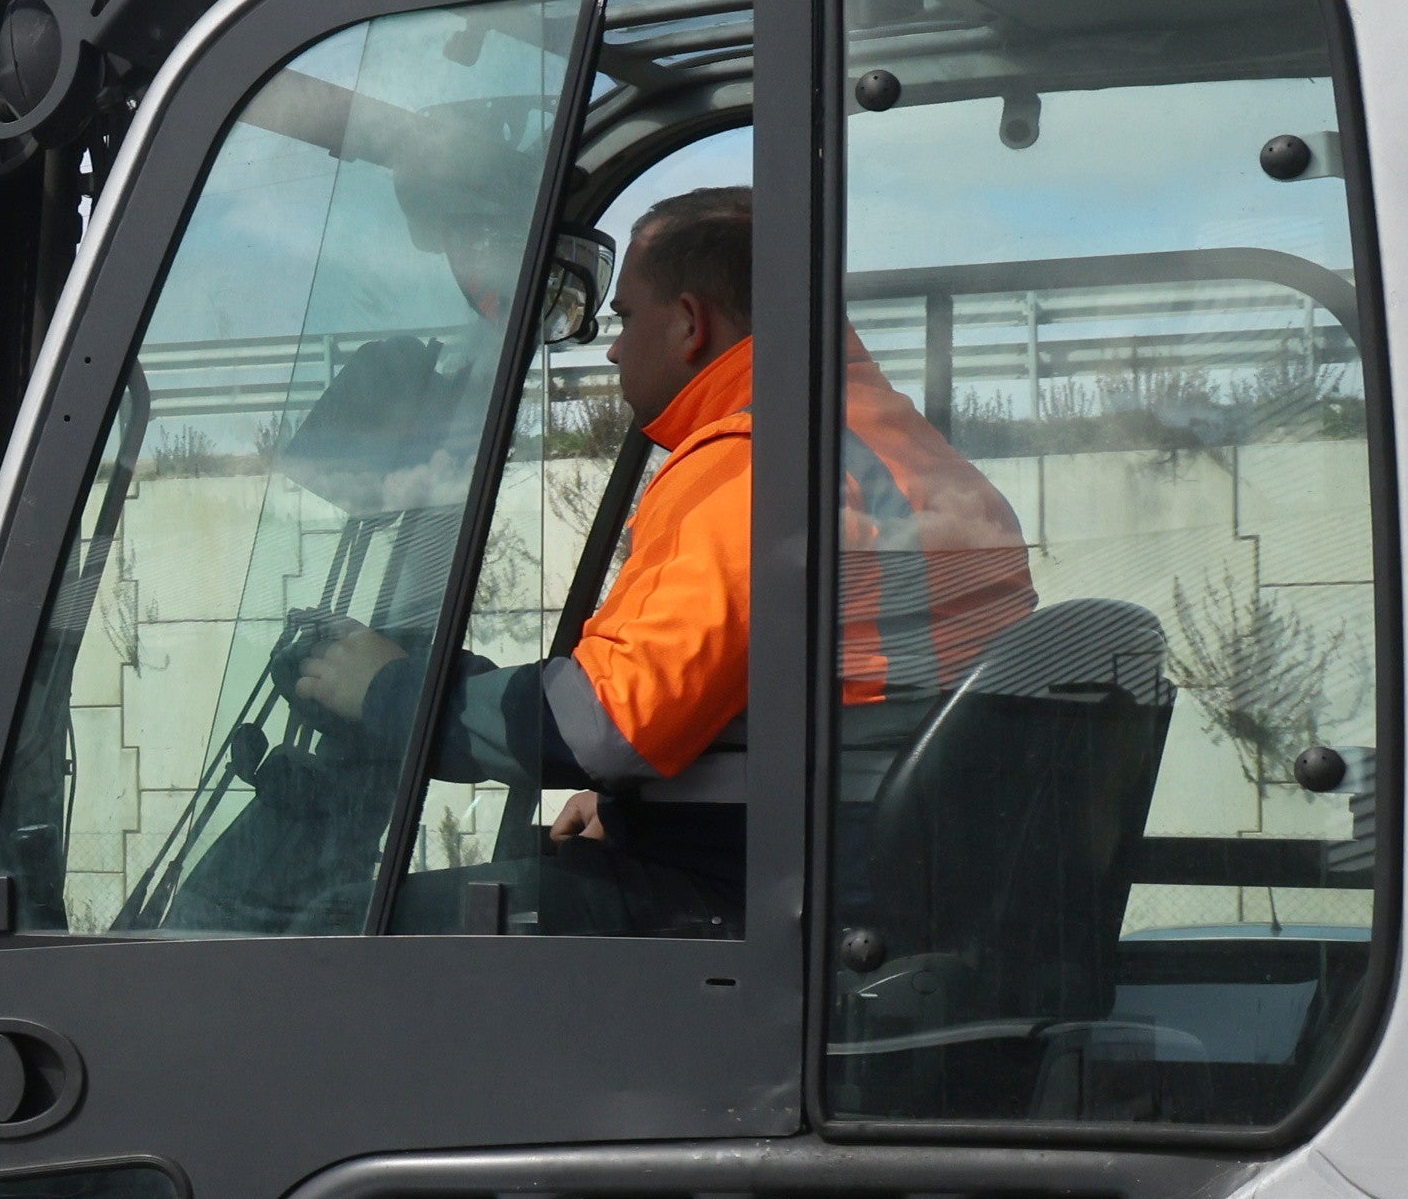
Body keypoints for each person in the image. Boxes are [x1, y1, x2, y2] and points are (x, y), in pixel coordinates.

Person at [291, 188, 1025, 930]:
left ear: (688, 322)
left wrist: (389, 690)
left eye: (625, 317)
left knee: (342, 928)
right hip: (864, 873)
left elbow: (601, 723)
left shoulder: (757, 468)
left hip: (776, 910)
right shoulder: (909, 459)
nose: (611, 346)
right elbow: (826, 707)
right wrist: (637, 803)